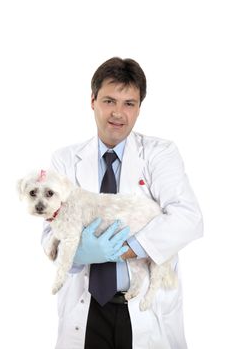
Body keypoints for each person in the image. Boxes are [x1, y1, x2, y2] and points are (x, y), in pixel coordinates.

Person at [42, 57, 203, 349]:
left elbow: (188, 218)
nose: (118, 113)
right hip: (86, 308)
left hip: (144, 311)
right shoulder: (64, 160)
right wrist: (80, 253)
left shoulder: (160, 153)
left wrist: (125, 250)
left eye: (129, 103)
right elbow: (48, 234)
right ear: (92, 101)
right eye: (109, 100)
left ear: (140, 107)